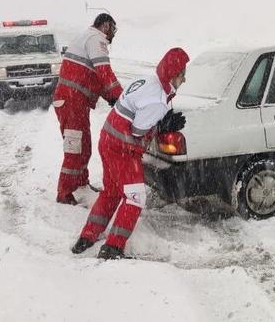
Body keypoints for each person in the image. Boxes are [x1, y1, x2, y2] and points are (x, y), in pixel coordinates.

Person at [71, 47, 190, 259]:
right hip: (122, 149)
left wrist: (158, 120)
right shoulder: (158, 101)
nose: (185, 79)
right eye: (182, 74)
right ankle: (113, 248)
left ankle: (87, 237)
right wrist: (161, 126)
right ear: (173, 75)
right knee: (135, 198)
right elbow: (137, 132)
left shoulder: (148, 81)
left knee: (112, 192)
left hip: (107, 139)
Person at [52, 13, 123, 205]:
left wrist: (111, 96)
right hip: (71, 102)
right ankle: (64, 193)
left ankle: (81, 183)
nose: (113, 34)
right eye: (113, 29)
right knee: (75, 148)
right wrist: (120, 97)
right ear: (106, 25)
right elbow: (104, 72)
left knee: (84, 146)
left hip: (75, 102)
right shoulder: (96, 39)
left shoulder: (87, 38)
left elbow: (95, 79)